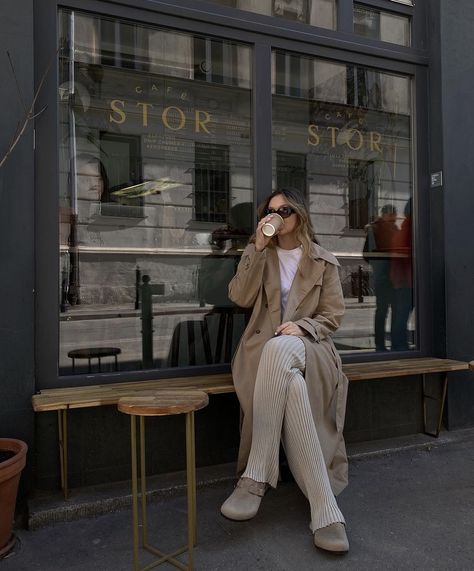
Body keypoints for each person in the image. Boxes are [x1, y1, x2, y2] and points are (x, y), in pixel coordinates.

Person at [220, 188, 350, 554]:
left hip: (313, 349)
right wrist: (257, 248)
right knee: (287, 379)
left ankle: (256, 476)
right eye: (270, 210)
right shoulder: (262, 254)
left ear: (300, 215)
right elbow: (239, 297)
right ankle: (326, 512)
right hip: (265, 354)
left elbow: (333, 317)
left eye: (285, 210)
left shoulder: (323, 261)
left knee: (283, 347)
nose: (277, 215)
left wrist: (304, 327)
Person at [363, 204, 399, 351]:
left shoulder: (393, 229)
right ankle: (380, 344)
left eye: (394, 215)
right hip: (384, 277)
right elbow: (367, 254)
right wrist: (379, 266)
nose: (394, 218)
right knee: (383, 311)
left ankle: (392, 343)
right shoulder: (375, 228)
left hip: (393, 276)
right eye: (392, 215)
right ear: (384, 215)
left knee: (393, 310)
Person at [390, 200, 413, 351]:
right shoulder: (409, 229)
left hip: (402, 280)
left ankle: (399, 345)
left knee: (401, 314)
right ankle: (400, 346)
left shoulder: (404, 228)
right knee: (402, 315)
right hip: (406, 281)